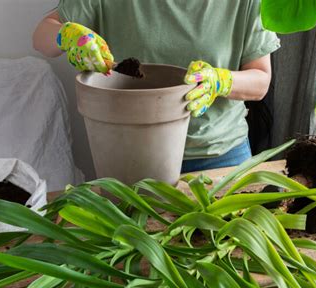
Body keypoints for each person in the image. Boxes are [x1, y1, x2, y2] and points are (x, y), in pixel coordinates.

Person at [33, 0, 280, 173]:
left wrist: (220, 81)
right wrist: (66, 35)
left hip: (219, 155)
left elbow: (260, 81)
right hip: (131, 155)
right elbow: (41, 37)